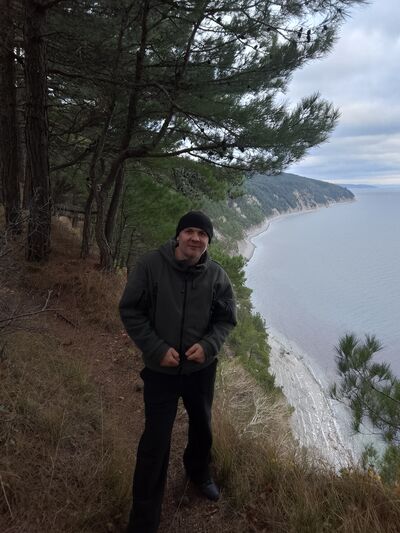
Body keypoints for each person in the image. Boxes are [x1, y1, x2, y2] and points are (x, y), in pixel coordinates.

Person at [119, 211, 237, 533]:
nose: (195, 238)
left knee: (202, 428)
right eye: (190, 231)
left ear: (208, 241)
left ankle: (198, 473)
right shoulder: (150, 266)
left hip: (201, 371)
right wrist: (156, 348)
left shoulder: (217, 276)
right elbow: (130, 310)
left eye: (203, 234)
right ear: (178, 235)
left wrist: (209, 346)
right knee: (155, 441)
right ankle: (144, 519)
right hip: (161, 371)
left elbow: (226, 320)